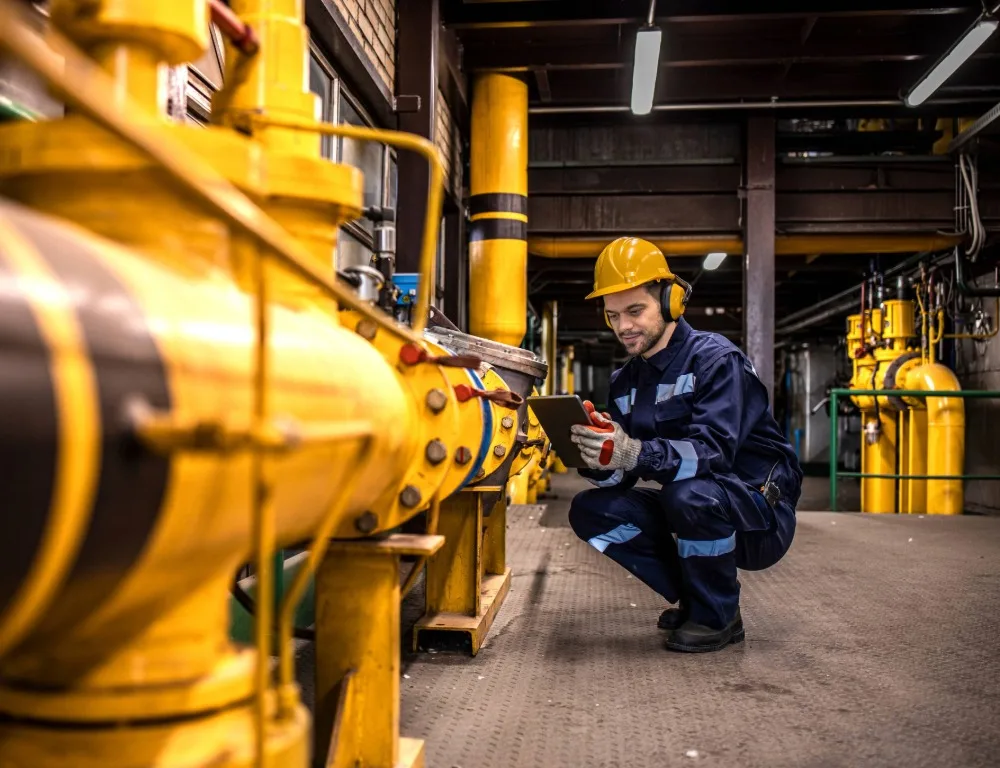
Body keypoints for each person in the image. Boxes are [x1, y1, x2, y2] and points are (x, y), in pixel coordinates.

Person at [568, 237, 801, 653]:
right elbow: (623, 474)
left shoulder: (715, 360)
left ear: (671, 301)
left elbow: (711, 453)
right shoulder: (626, 381)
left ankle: (719, 616)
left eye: (635, 310)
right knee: (591, 509)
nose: (623, 327)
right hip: (694, 499)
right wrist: (597, 455)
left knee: (688, 493)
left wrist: (635, 452)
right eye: (613, 315)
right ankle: (698, 596)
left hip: (759, 510)